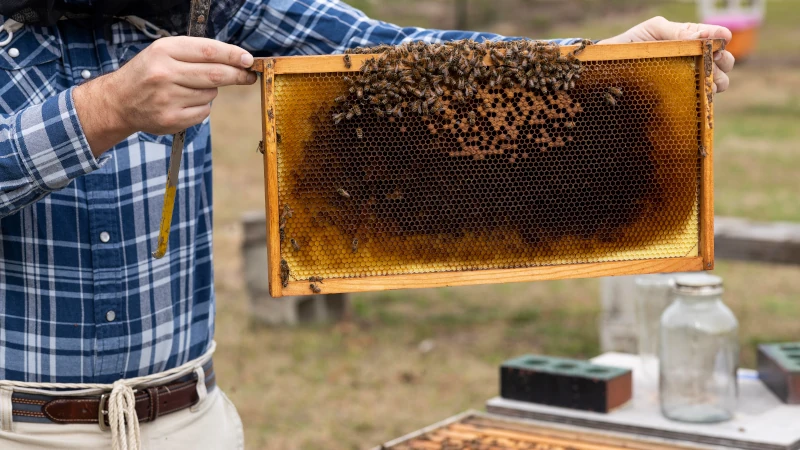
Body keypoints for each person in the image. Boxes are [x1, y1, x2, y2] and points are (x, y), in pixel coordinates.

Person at [0, 0, 734, 448]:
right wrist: (104, 109)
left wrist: (603, 65)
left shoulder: (199, 4)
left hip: (189, 421)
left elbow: (386, 52)